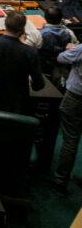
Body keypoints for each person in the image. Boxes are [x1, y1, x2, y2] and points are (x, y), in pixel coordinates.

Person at [0, 10, 45, 114]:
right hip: (14, 107)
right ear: (23, 29)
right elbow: (38, 85)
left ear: (5, 24)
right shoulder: (30, 52)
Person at [52, 38, 82, 192]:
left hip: (76, 97)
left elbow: (61, 58)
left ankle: (60, 179)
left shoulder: (80, 49)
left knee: (70, 139)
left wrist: (71, 49)